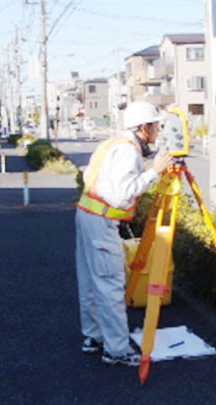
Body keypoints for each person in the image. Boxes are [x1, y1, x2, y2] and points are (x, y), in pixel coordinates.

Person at [75, 101, 174, 366]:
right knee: (109, 285)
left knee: (90, 281)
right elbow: (122, 195)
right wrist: (154, 172)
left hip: (87, 215)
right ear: (144, 128)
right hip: (102, 221)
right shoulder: (128, 151)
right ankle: (117, 350)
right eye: (156, 126)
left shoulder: (112, 143)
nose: (158, 132)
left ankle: (94, 336)